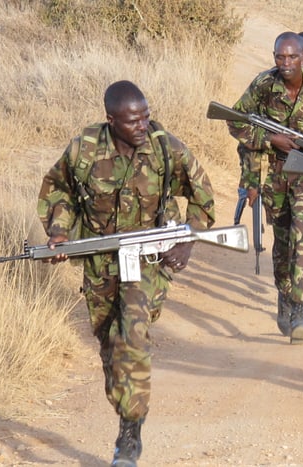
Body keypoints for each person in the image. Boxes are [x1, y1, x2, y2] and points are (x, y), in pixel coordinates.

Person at [37, 80, 216, 466]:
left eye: (146, 116)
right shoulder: (85, 147)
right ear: (111, 120)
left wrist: (187, 239)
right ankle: (126, 412)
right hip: (101, 262)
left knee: (131, 333)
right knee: (109, 344)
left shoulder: (166, 146)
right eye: (133, 120)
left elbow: (202, 194)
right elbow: (58, 190)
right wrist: (59, 232)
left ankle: (130, 434)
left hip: (148, 260)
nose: (142, 125)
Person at [227, 31, 303, 344]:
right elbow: (236, 121)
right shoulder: (264, 85)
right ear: (274, 56)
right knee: (282, 244)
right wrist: (269, 140)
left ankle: (299, 309)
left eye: (293, 57)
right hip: (279, 173)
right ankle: (285, 295)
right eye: (281, 57)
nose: (287, 63)